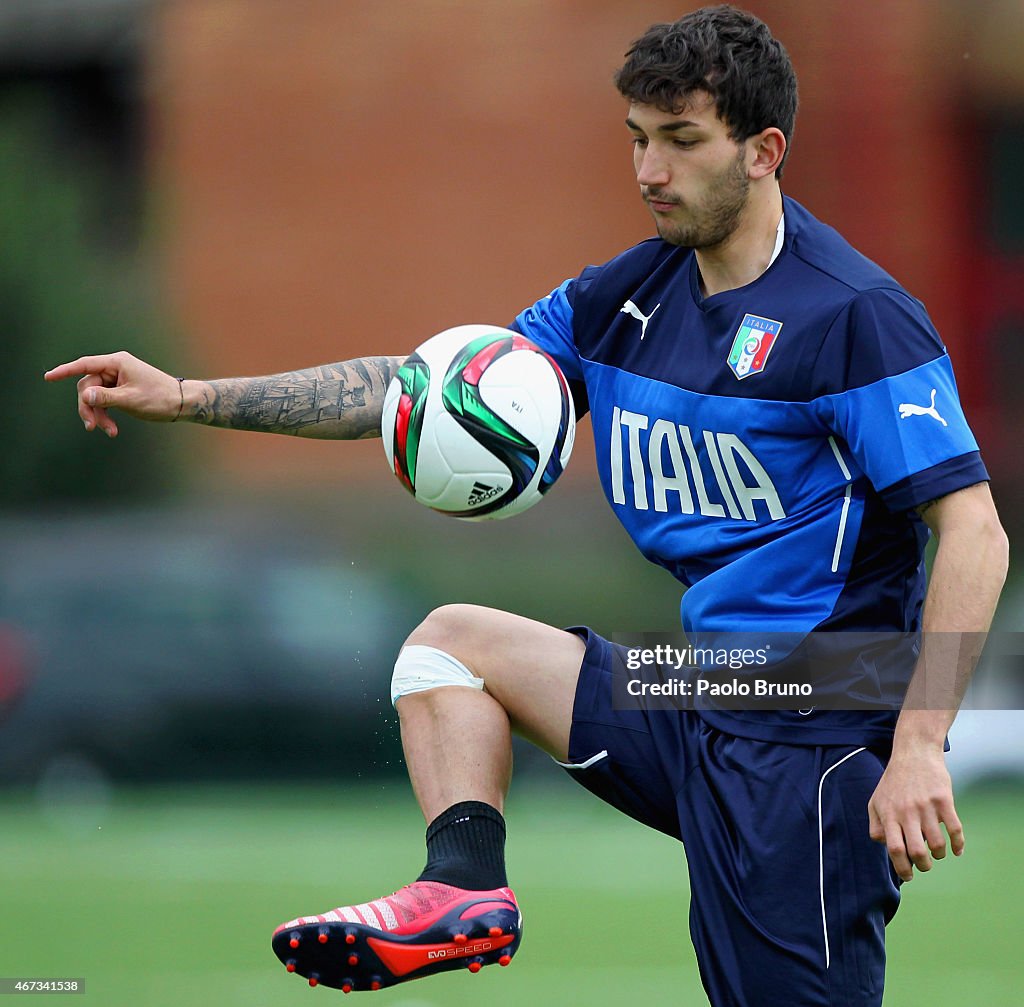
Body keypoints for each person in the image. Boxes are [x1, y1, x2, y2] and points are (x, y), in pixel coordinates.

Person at [45, 6, 1008, 1005]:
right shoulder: (620, 302)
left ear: (765, 151)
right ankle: (462, 890)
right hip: (702, 682)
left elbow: (973, 531)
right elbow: (429, 389)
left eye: (681, 141)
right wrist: (190, 398)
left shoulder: (855, 317)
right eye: (637, 138)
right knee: (451, 646)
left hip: (821, 718)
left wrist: (915, 746)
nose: (648, 171)